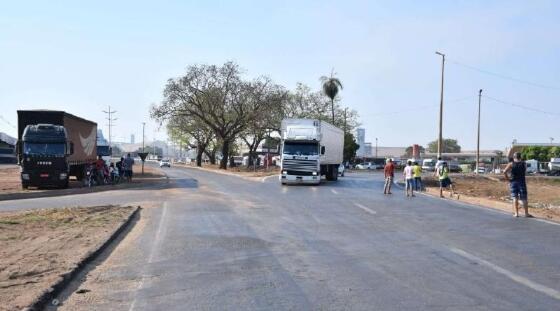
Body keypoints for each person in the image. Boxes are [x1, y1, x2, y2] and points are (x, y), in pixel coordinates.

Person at [504, 152, 532, 218]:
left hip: (513, 182)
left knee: (515, 198)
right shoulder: (524, 164)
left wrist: (508, 179)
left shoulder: (511, 164)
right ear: (520, 157)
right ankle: (526, 213)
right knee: (524, 198)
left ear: (514, 157)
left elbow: (504, 171)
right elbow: (525, 171)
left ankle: (516, 213)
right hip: (522, 182)